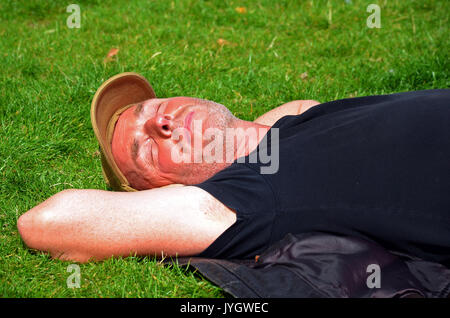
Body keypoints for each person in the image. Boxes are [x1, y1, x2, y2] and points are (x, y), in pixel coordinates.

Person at [17, 73, 450, 266]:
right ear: (160, 194)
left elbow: (293, 109)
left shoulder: (287, 131)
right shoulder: (246, 199)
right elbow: (44, 223)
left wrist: (247, 132)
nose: (159, 121)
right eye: (146, 148)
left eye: (151, 108)